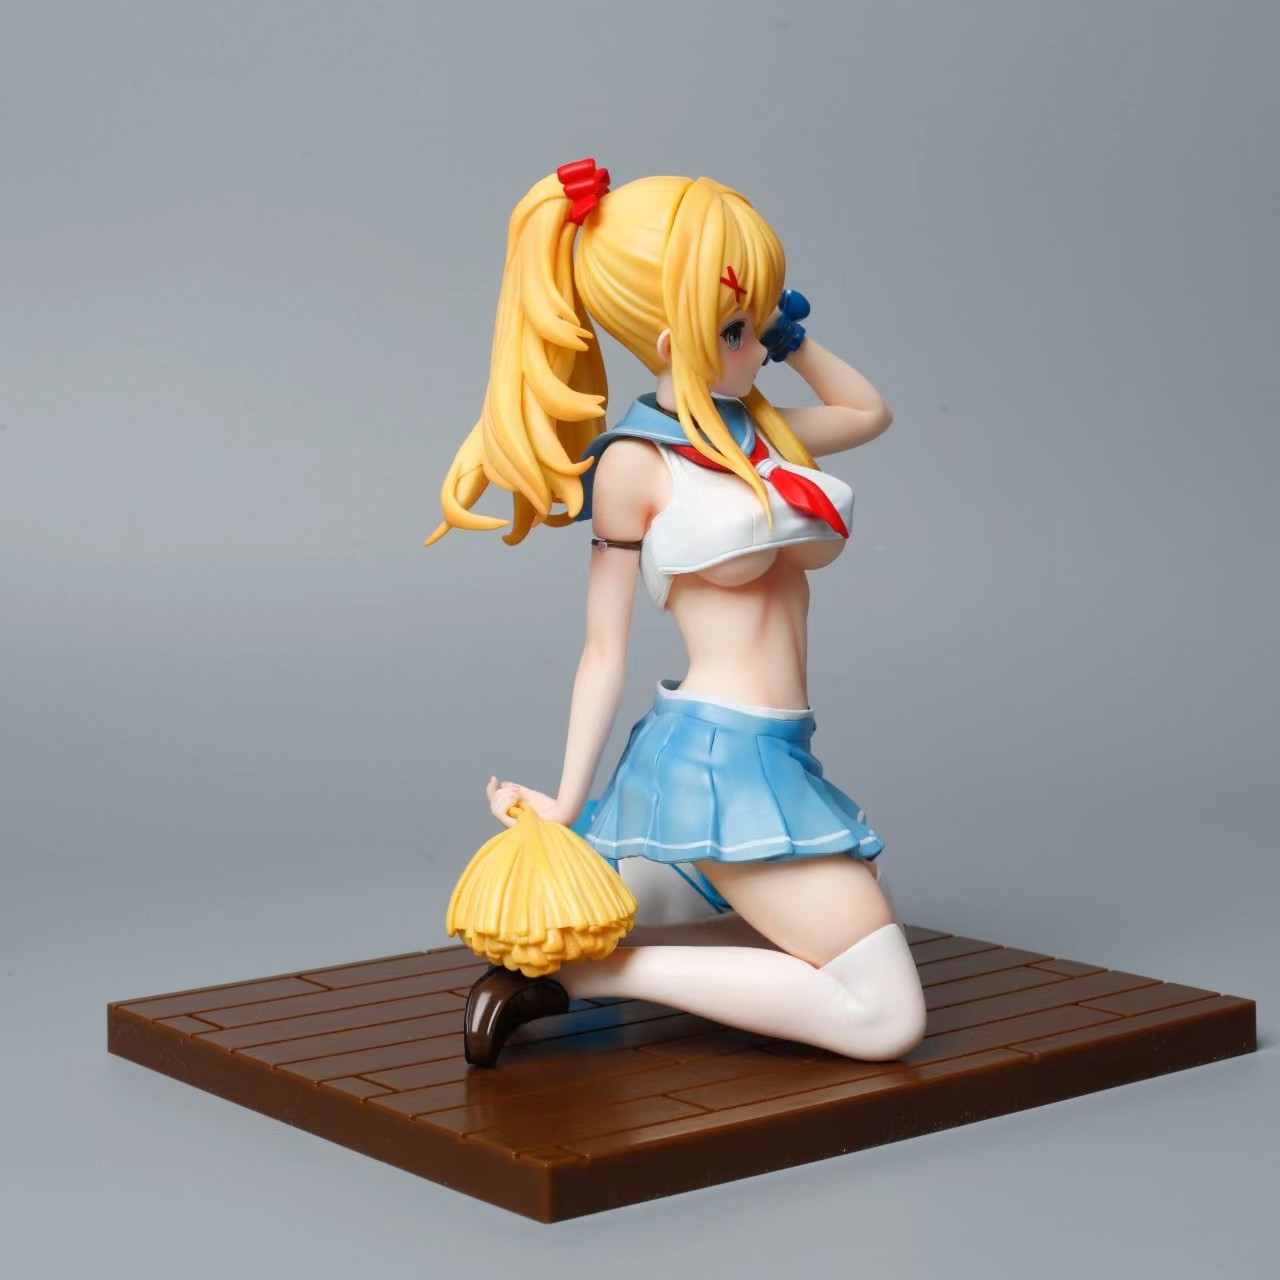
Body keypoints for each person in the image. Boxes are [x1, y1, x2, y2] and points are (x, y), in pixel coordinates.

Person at [427, 160, 927, 1067]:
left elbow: (867, 411)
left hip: (776, 749)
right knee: (885, 1018)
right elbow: (602, 649)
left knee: (859, 903)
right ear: (670, 340)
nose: (756, 348)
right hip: (719, 760)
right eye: (736, 329)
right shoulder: (636, 464)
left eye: (759, 322)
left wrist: (789, 339)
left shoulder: (757, 429)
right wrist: (565, 797)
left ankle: (606, 928)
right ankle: (594, 978)